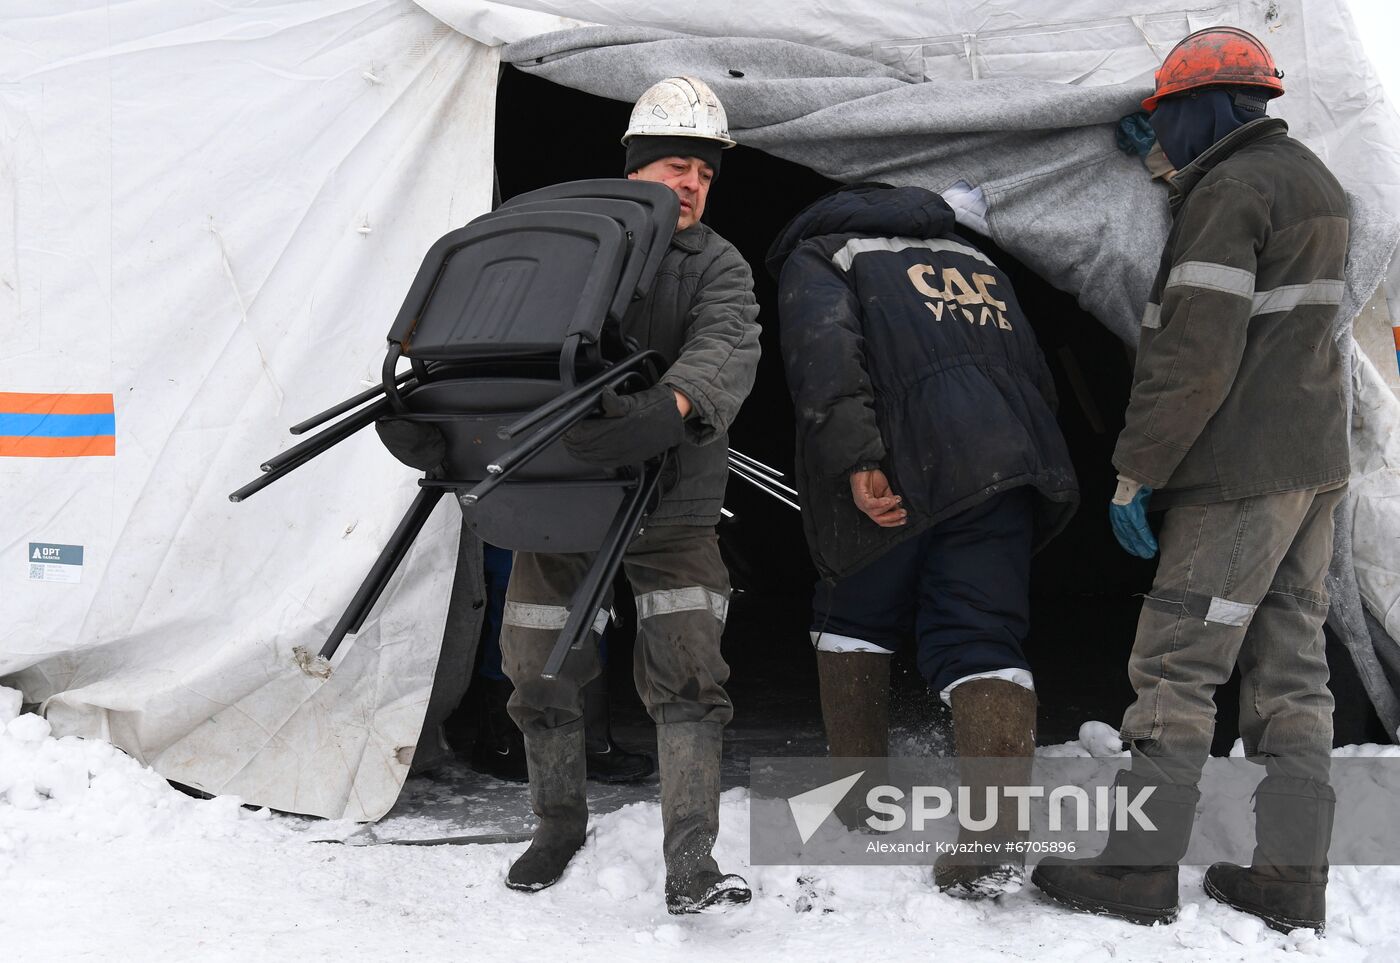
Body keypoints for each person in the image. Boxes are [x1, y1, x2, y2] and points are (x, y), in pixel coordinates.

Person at [1032, 27, 1349, 934]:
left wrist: (1136, 471)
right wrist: (1177, 177)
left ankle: (1137, 869)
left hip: (1237, 473)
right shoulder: (1312, 181)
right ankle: (1294, 876)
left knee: (1176, 661)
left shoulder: (1230, 191)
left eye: (1167, 114)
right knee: (1292, 668)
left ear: (1206, 107)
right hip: (1314, 466)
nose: (1157, 131)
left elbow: (1193, 355)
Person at [765, 183, 1079, 898]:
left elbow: (824, 358)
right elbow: (1032, 368)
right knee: (981, 631)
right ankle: (992, 835)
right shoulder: (977, 259)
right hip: (1008, 460)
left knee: (851, 614)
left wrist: (856, 458)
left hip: (904, 457)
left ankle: (856, 799)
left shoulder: (821, 253)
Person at [498, 76, 761, 915]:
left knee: (687, 674)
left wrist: (663, 412)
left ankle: (691, 858)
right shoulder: (574, 245)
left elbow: (726, 345)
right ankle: (557, 822)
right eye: (678, 166)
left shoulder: (717, 262)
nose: (692, 184)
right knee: (538, 664)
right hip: (565, 492)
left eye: (706, 174)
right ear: (636, 168)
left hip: (673, 497)